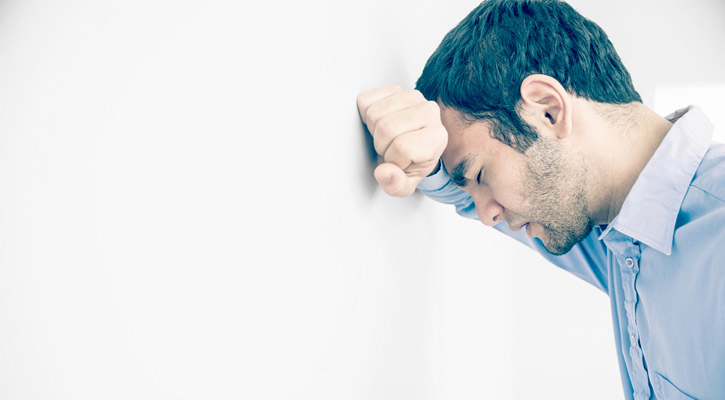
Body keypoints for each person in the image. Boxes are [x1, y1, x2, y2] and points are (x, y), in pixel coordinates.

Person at [356, 0, 725, 399]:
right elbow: (458, 195)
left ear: (548, 111)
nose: (486, 215)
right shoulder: (618, 233)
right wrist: (423, 157)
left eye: (480, 176)